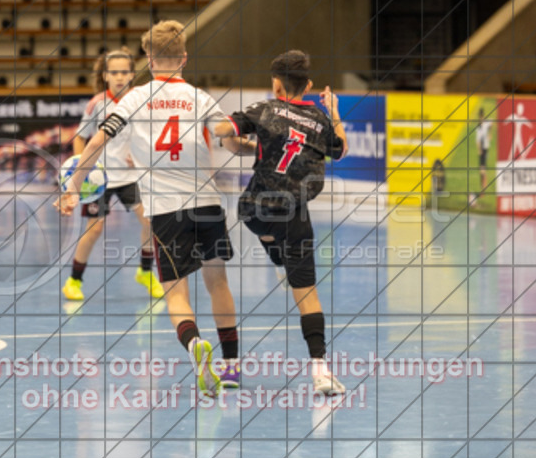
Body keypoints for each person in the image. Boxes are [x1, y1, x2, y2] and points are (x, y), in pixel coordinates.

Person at [56, 20, 248, 396]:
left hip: (164, 210)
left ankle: (195, 346)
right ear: (184, 58)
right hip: (206, 205)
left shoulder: (132, 99)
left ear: (148, 58)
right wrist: (256, 148)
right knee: (218, 283)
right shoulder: (200, 97)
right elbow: (230, 137)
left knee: (176, 293)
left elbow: (96, 141)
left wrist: (74, 184)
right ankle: (232, 366)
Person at [212, 50, 349, 395]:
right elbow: (340, 150)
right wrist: (334, 113)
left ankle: (277, 260)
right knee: (307, 296)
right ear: (309, 85)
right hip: (294, 215)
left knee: (265, 229)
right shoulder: (319, 119)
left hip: (254, 211)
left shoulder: (265, 109)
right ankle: (321, 372)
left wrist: (234, 140)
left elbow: (222, 130)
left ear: (276, 85)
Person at [62, 48, 165, 302]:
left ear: (132, 74)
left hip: (131, 177)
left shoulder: (140, 100)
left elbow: (151, 135)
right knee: (94, 229)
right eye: (114, 72)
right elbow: (81, 138)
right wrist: (79, 167)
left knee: (150, 223)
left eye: (125, 72)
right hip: (99, 179)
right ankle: (73, 281)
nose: (120, 77)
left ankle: (145, 272)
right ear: (105, 75)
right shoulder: (97, 103)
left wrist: (141, 153)